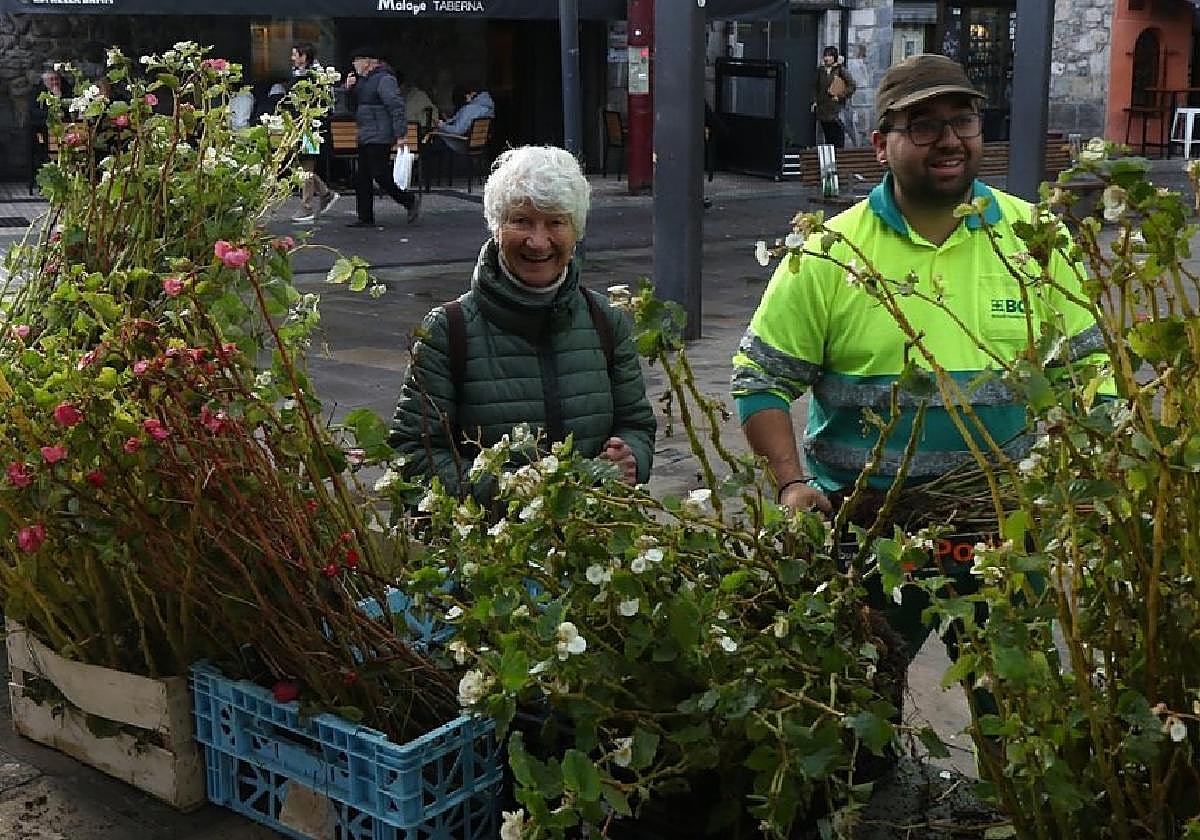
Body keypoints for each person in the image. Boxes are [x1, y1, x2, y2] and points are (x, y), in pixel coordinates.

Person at [732, 53, 1108, 663]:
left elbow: (1092, 374)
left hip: (1004, 532)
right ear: (881, 144)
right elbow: (760, 379)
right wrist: (792, 484)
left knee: (1015, 715)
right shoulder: (830, 253)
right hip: (870, 533)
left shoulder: (1036, 239)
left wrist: (1090, 471)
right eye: (923, 126)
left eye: (962, 122)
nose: (948, 141)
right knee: (860, 708)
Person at [388, 145, 656, 502]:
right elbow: (414, 457)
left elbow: (636, 423)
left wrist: (632, 457)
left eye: (556, 222)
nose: (538, 241)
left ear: (576, 232)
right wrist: (510, 491)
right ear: (496, 226)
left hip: (594, 537)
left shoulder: (606, 322)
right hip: (485, 551)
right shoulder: (447, 331)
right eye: (522, 220)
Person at [343, 45, 420, 228]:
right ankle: (365, 217)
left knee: (380, 174)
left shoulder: (384, 79)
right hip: (366, 134)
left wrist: (401, 134)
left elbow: (396, 106)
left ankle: (408, 200)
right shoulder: (362, 81)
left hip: (380, 135)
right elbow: (352, 107)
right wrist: (349, 89)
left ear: (367, 61)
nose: (354, 65)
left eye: (357, 61)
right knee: (362, 177)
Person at [289, 42, 339, 224]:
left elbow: (320, 104)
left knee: (307, 165)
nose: (292, 58)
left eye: (295, 54)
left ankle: (306, 206)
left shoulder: (315, 76)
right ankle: (325, 193)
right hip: (302, 126)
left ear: (304, 56)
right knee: (302, 165)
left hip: (312, 128)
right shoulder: (302, 74)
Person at [813, 46, 856, 149]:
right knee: (827, 138)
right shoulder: (820, 71)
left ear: (834, 57)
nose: (827, 58)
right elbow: (815, 87)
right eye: (825, 55)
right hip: (823, 110)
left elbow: (852, 86)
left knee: (837, 138)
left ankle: (838, 160)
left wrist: (841, 96)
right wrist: (814, 101)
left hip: (836, 111)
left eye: (830, 56)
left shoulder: (840, 70)